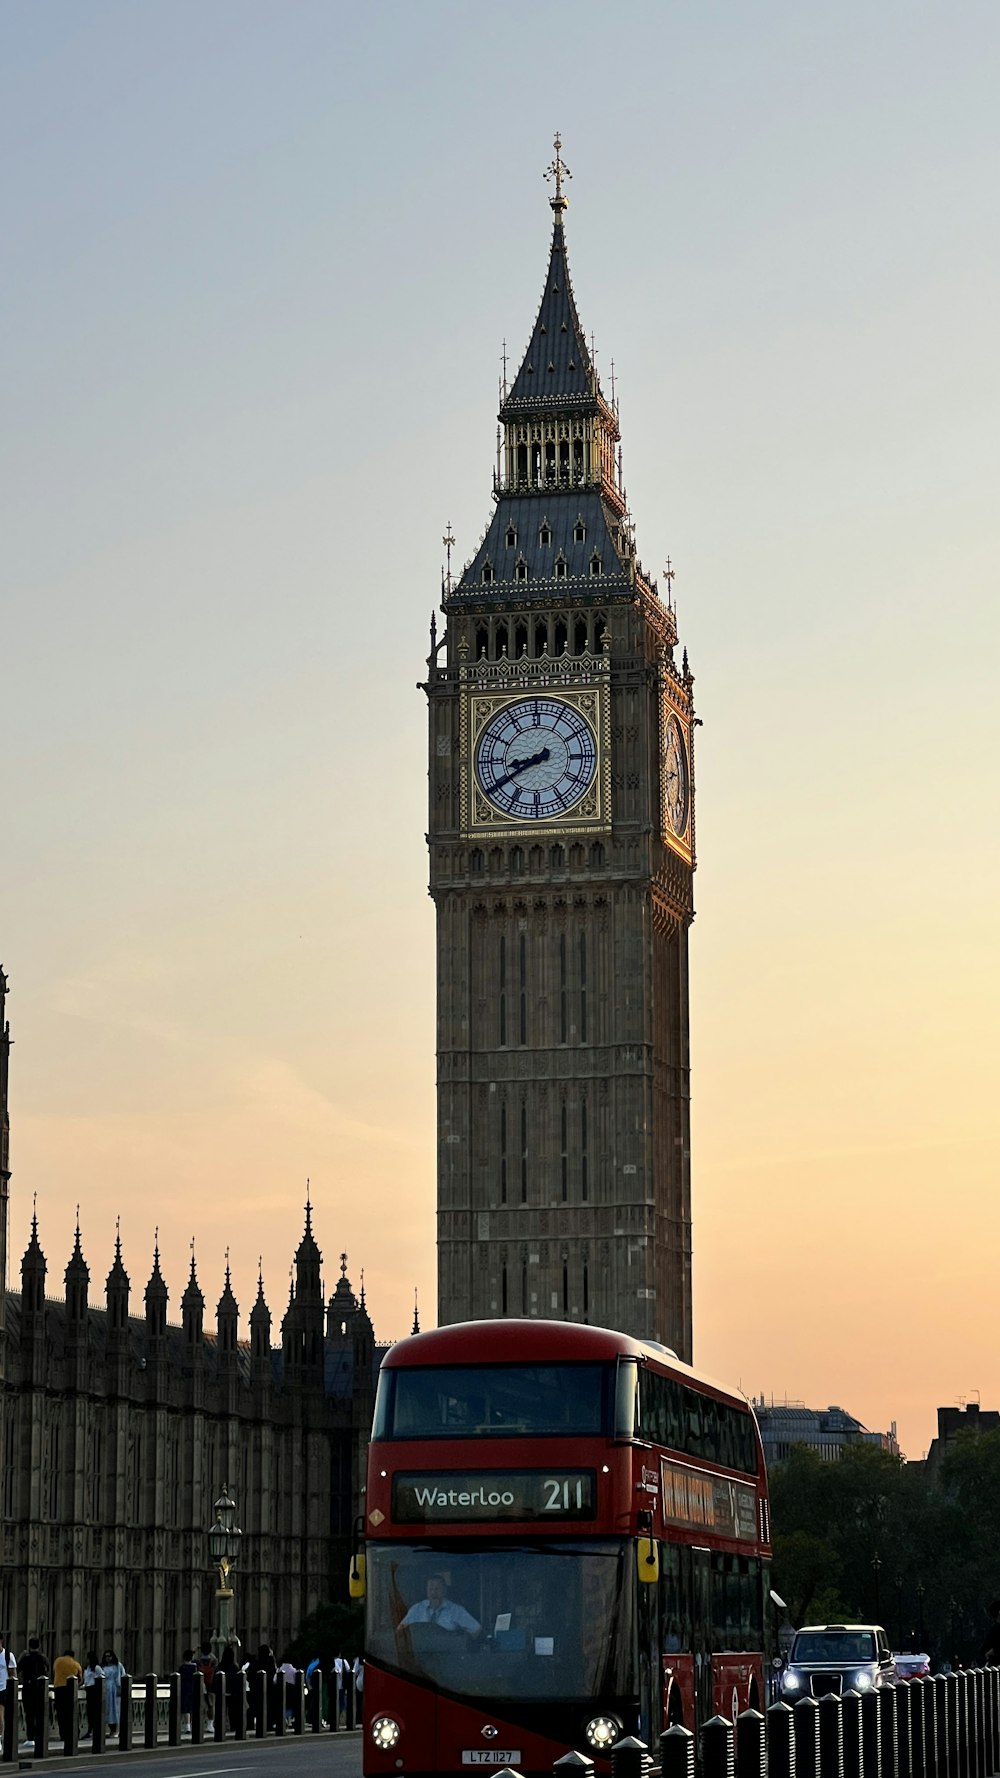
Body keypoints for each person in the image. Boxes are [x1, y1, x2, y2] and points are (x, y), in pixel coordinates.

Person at [398, 1574, 481, 1635]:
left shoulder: (456, 1610)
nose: (433, 1592)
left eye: (437, 1589)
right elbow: (399, 1631)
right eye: (430, 1589)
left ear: (444, 1591)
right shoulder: (416, 1609)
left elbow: (477, 1630)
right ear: (426, 1591)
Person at [18, 1637, 48, 1751]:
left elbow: (18, 1668)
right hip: (40, 1689)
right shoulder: (42, 1658)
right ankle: (39, 1736)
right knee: (39, 1713)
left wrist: (21, 1656)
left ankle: (30, 1737)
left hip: (28, 1688)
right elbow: (47, 1670)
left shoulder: (26, 1658)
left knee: (29, 1713)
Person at [52, 1648, 83, 1746]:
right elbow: (80, 1679)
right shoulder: (76, 1664)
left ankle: (63, 1734)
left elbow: (54, 1672)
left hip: (58, 1689)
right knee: (71, 1712)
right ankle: (74, 1733)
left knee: (61, 1713)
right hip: (70, 1689)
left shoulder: (57, 1661)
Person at [101, 1650, 125, 1738]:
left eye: (109, 1656)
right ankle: (111, 1730)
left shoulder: (118, 1666)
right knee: (107, 1710)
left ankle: (115, 1730)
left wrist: (120, 1688)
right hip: (105, 1689)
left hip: (114, 1689)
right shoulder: (102, 1666)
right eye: (106, 1656)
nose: (108, 1658)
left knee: (114, 1710)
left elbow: (122, 1676)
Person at [219, 1643, 242, 1735]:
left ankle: (222, 1725)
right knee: (233, 1711)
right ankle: (233, 1726)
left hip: (223, 1691)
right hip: (233, 1692)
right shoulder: (235, 1666)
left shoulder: (221, 1666)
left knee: (222, 1710)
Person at [81, 1652, 104, 1741]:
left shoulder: (97, 1668)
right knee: (89, 1711)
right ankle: (90, 1730)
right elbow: (86, 1680)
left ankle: (94, 1730)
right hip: (88, 1690)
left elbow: (102, 1676)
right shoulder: (87, 1668)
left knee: (94, 1711)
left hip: (94, 1690)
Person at [179, 1648, 198, 1737]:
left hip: (184, 1689)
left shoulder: (182, 1668)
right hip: (193, 1689)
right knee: (190, 1708)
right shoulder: (195, 1667)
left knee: (185, 1708)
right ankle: (188, 1725)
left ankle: (187, 1726)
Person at [0, 1634, 15, 1746]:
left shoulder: (7, 1656)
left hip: (3, 1688)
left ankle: (0, 1738)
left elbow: (13, 1675)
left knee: (0, 1715)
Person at [196, 1642, 216, 1724]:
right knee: (211, 1704)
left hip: (201, 1685)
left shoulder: (198, 1662)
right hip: (211, 1685)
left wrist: (196, 1650)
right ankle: (210, 1723)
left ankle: (200, 1721)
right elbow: (215, 1659)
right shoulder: (213, 1661)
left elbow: (190, 1658)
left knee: (201, 1704)